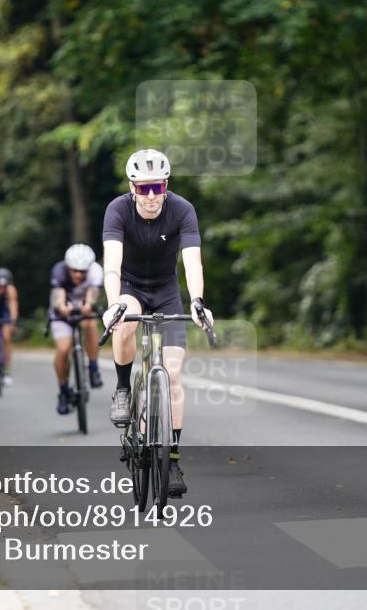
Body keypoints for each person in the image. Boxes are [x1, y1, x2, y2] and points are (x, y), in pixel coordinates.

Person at [100, 148, 214, 497]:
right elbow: (112, 266)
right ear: (132, 187)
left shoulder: (182, 210)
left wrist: (197, 301)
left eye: (158, 188)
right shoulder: (117, 210)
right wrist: (113, 303)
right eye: (144, 188)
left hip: (166, 290)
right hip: (130, 287)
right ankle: (122, 388)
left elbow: (192, 262)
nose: (151, 197)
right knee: (126, 322)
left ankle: (173, 459)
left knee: (174, 373)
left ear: (166, 185)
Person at [49, 244, 105, 415]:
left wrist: (88, 304)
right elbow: (58, 295)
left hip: (83, 308)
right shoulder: (59, 270)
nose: (79, 275)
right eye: (75, 271)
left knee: (89, 324)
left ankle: (93, 367)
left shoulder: (96, 270)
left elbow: (93, 292)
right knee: (63, 349)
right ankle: (63, 391)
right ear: (68, 267)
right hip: (62, 311)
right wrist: (61, 306)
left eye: (83, 271)